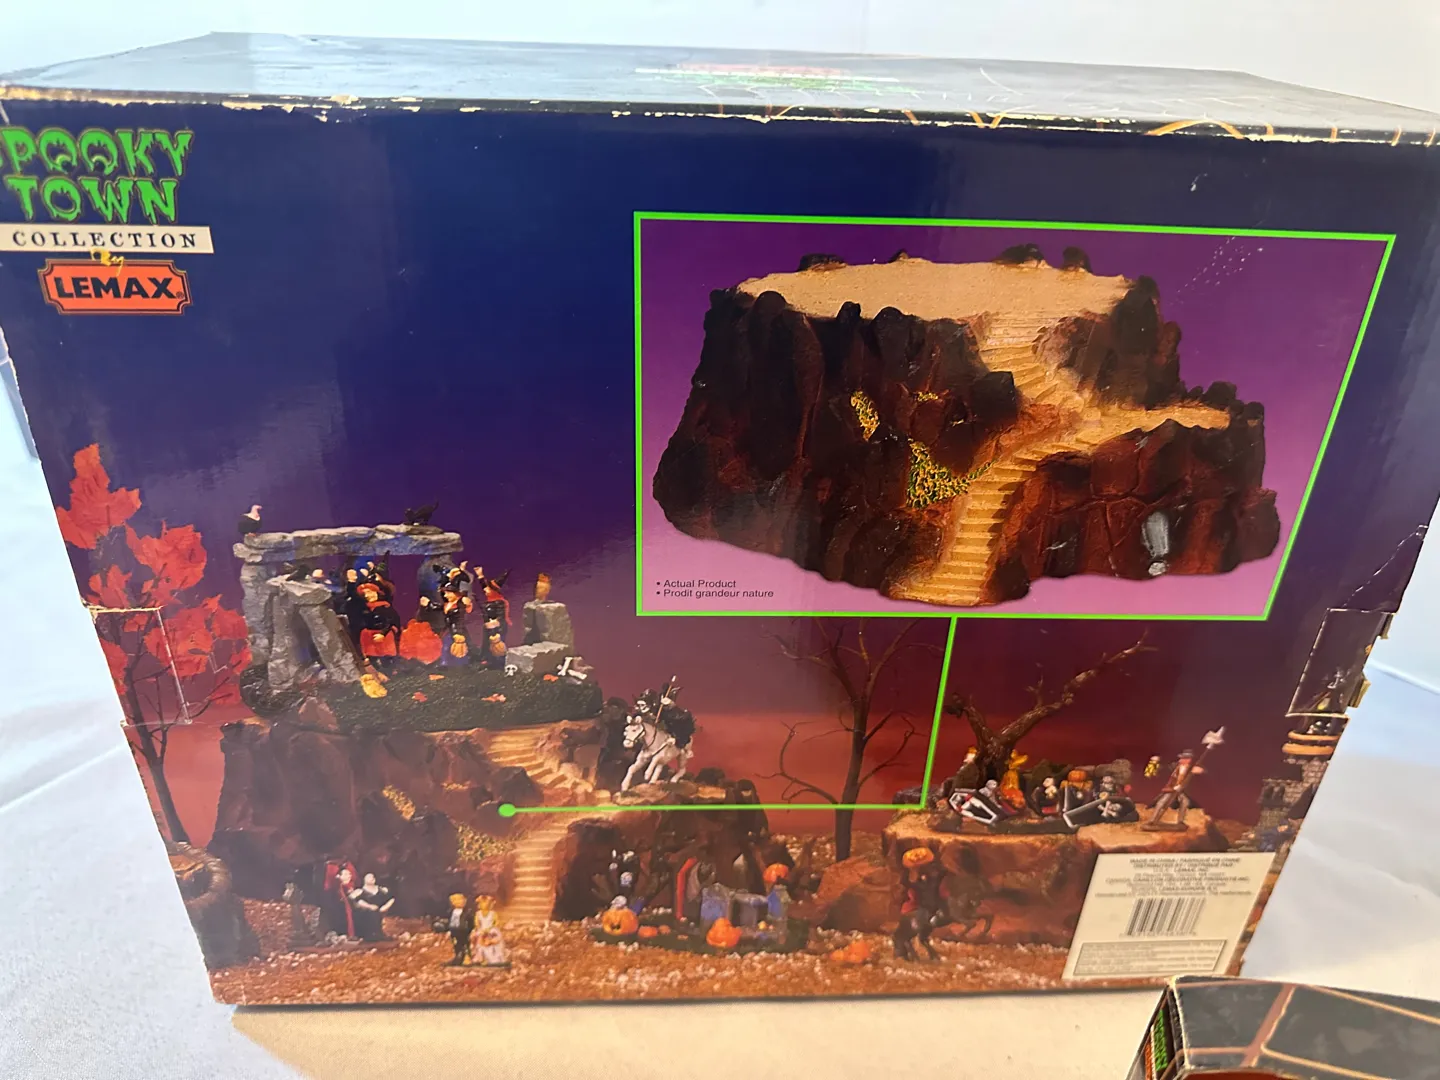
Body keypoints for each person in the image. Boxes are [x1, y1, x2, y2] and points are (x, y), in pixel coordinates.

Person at [349, 872, 395, 941]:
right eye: (368, 877)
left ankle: (378, 933)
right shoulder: (360, 891)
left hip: (379, 912)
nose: (371, 879)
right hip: (365, 914)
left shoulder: (381, 890)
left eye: (372, 877)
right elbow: (353, 900)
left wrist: (385, 907)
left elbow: (391, 898)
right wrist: (369, 906)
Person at [468, 896, 510, 967]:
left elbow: (496, 923)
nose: (484, 906)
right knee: (479, 940)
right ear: (479, 905)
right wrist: (480, 929)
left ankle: (494, 959)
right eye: (482, 904)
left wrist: (490, 929)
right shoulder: (478, 914)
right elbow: (477, 923)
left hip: (491, 929)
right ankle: (481, 958)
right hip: (481, 929)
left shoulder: (493, 913)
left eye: (486, 904)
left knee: (493, 939)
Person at [321, 860, 359, 940]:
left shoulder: (349, 889)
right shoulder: (334, 891)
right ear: (338, 876)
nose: (349, 876)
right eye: (346, 874)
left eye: (349, 874)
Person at [440, 892, 473, 966]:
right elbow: (449, 920)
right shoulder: (450, 912)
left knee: (465, 944)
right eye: (455, 900)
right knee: (456, 944)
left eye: (460, 899)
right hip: (454, 931)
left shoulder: (467, 912)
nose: (459, 902)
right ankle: (458, 957)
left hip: (463, 931)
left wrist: (470, 929)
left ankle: (467, 958)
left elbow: (470, 922)